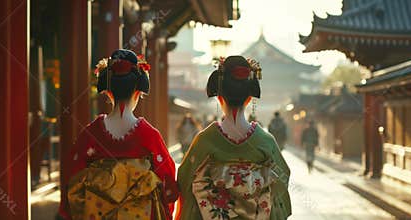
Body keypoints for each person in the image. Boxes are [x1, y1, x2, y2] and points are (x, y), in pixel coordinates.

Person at [58, 49, 178, 220]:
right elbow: (168, 181)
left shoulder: (90, 133)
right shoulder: (150, 135)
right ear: (138, 93)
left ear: (108, 92)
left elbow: (71, 177)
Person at [176, 56, 291, 220]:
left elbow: (185, 181)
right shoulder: (265, 141)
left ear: (219, 97)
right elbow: (282, 179)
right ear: (250, 98)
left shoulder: (204, 140)